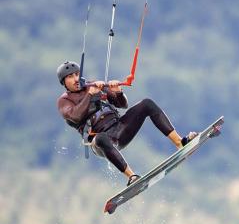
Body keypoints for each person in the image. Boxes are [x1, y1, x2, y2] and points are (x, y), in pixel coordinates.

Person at [56, 60, 202, 186]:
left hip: (120, 129)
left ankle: (179, 142)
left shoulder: (91, 86)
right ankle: (132, 177)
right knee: (100, 138)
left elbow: (122, 104)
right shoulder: (64, 101)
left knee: (147, 104)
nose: (75, 79)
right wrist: (89, 95)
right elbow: (75, 116)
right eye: (70, 77)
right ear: (64, 82)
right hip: (101, 142)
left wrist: (117, 92)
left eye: (76, 74)